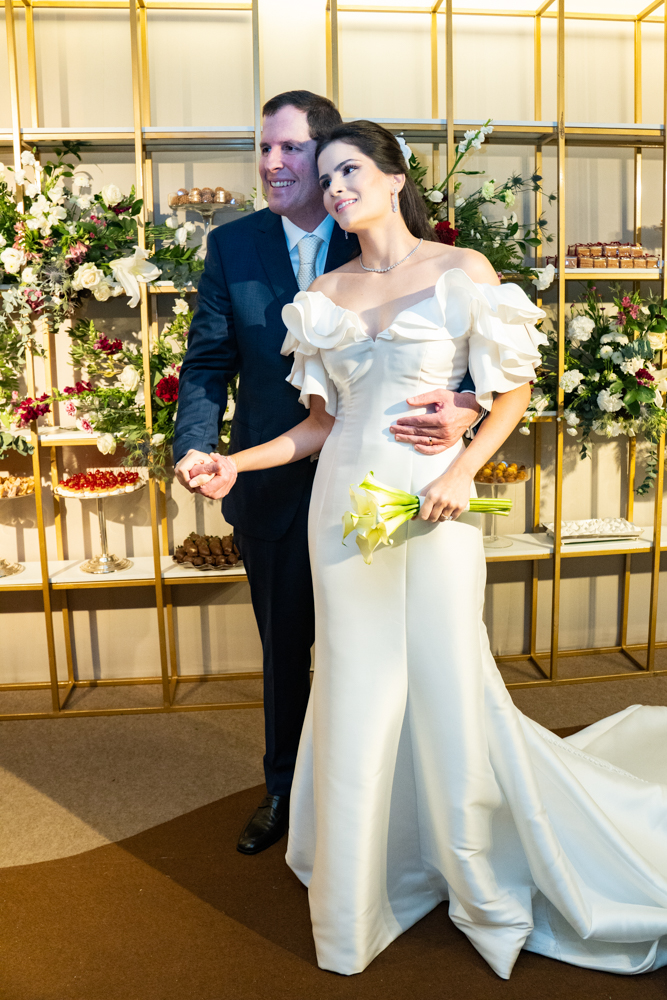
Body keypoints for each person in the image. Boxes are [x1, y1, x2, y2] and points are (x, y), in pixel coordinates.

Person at [187, 120, 667, 980]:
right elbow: (317, 426)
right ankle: (363, 875)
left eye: (349, 170)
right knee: (354, 677)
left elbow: (511, 391)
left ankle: (470, 862)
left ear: (394, 176)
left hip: (435, 501)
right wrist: (233, 462)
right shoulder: (323, 294)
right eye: (325, 176)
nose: (335, 187)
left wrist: (462, 465)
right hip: (342, 508)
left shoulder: (461, 270)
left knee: (446, 670)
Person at [173, 91, 481, 856]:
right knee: (289, 655)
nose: (273, 163)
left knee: (405, 651)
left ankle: (415, 807)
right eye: (264, 148)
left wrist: (465, 409)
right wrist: (199, 449)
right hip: (278, 484)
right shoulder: (233, 246)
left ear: (337, 156)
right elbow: (206, 362)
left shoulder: (393, 234)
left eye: (291, 149)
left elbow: (477, 362)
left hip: (399, 485)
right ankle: (287, 791)